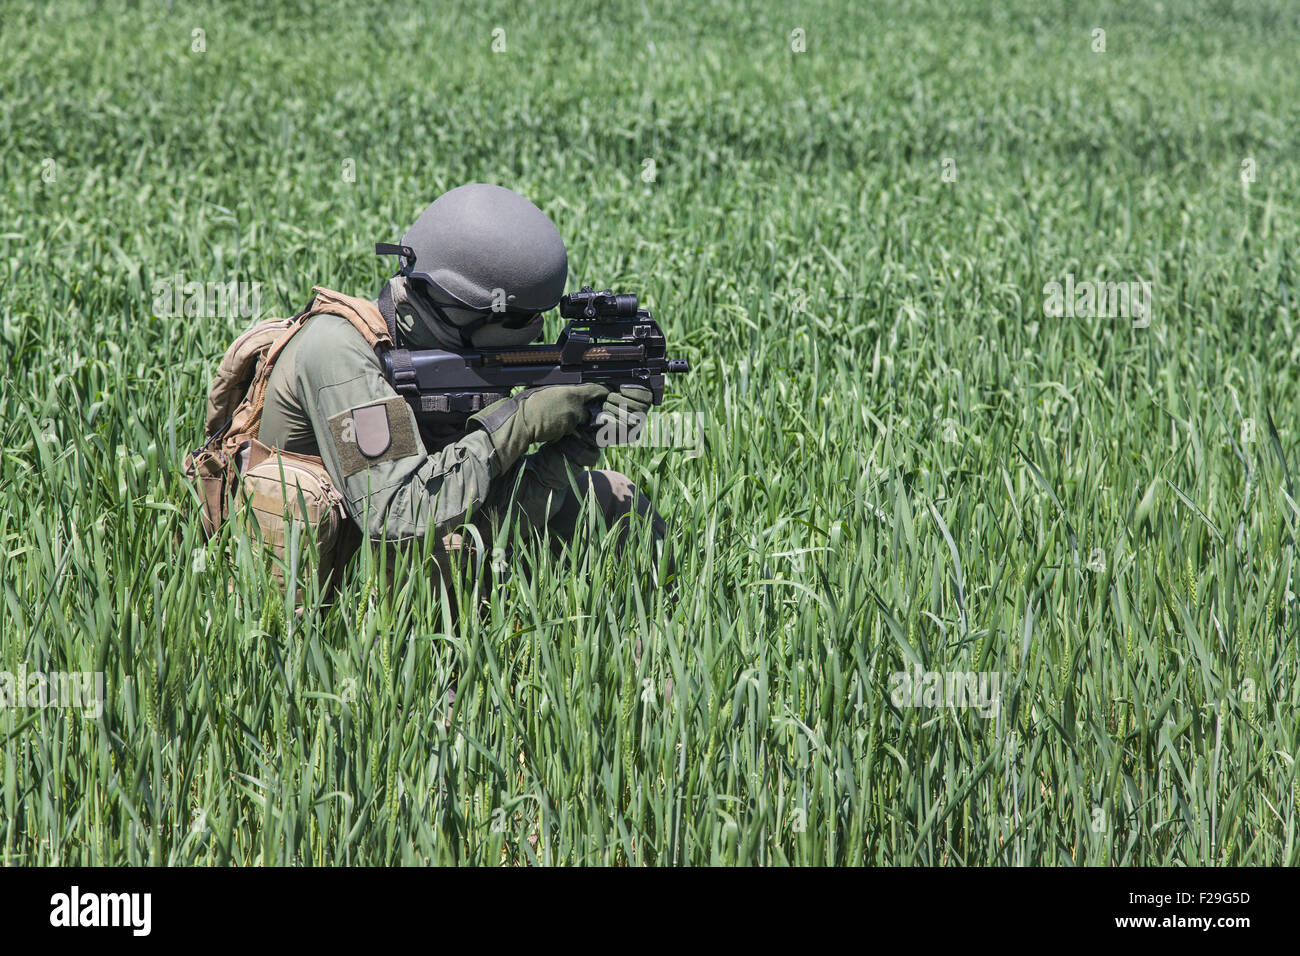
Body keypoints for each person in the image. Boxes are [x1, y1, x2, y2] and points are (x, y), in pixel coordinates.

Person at [206, 183, 670, 604]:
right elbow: (394, 516)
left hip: (407, 551)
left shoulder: (454, 359)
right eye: (521, 321)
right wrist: (518, 423)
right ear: (466, 309)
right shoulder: (338, 352)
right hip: (338, 584)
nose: (534, 334)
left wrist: (579, 440)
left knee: (615, 500)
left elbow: (489, 505)